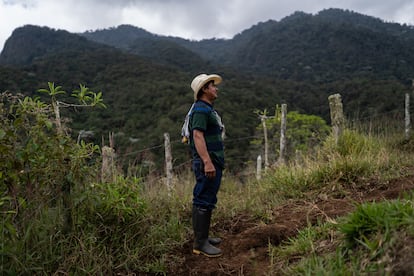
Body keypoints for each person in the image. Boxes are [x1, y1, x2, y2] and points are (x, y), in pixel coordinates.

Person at [189, 73, 225, 257]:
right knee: (203, 198)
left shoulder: (206, 108)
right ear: (204, 89)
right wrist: (207, 162)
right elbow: (197, 135)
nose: (216, 88)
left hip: (212, 161)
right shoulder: (201, 110)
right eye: (212, 86)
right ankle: (200, 243)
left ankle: (203, 238)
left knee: (207, 197)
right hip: (207, 162)